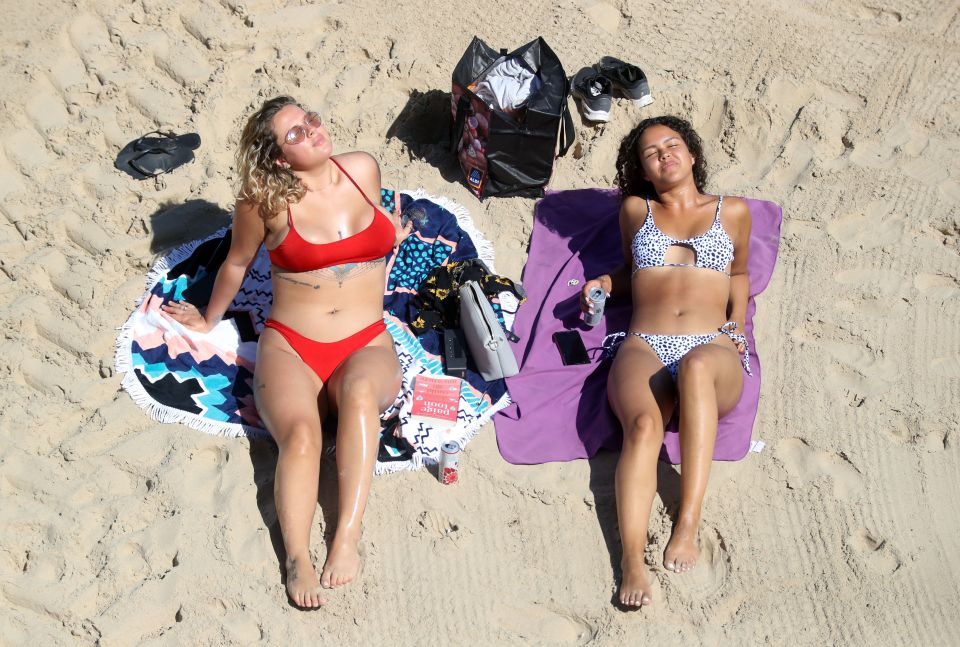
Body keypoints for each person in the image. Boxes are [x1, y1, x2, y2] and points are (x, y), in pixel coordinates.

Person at [163, 96, 405, 609]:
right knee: (300, 436)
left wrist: (393, 233)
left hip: (366, 340)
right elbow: (235, 263)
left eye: (310, 120)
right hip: (293, 345)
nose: (313, 131)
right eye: (295, 133)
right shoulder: (264, 204)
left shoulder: (363, 168)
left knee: (360, 395)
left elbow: (376, 230)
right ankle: (297, 556)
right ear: (277, 158)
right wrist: (208, 318)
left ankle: (346, 538)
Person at [580, 116, 752, 608]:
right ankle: (632, 560)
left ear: (692, 154)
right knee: (640, 427)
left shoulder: (732, 211)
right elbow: (635, 273)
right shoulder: (637, 210)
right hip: (646, 339)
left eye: (672, 145)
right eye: (652, 152)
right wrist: (608, 285)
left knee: (697, 368)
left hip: (710, 344)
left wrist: (736, 323)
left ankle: (688, 522)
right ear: (644, 170)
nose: (664, 155)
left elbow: (738, 273)